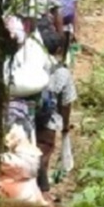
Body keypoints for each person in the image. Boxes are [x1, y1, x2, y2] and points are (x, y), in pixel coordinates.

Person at [36, 30, 77, 177]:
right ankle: (41, 187)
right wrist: (65, 127)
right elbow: (66, 104)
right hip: (48, 122)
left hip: (24, 117)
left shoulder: (30, 66)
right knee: (43, 155)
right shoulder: (62, 72)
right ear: (59, 49)